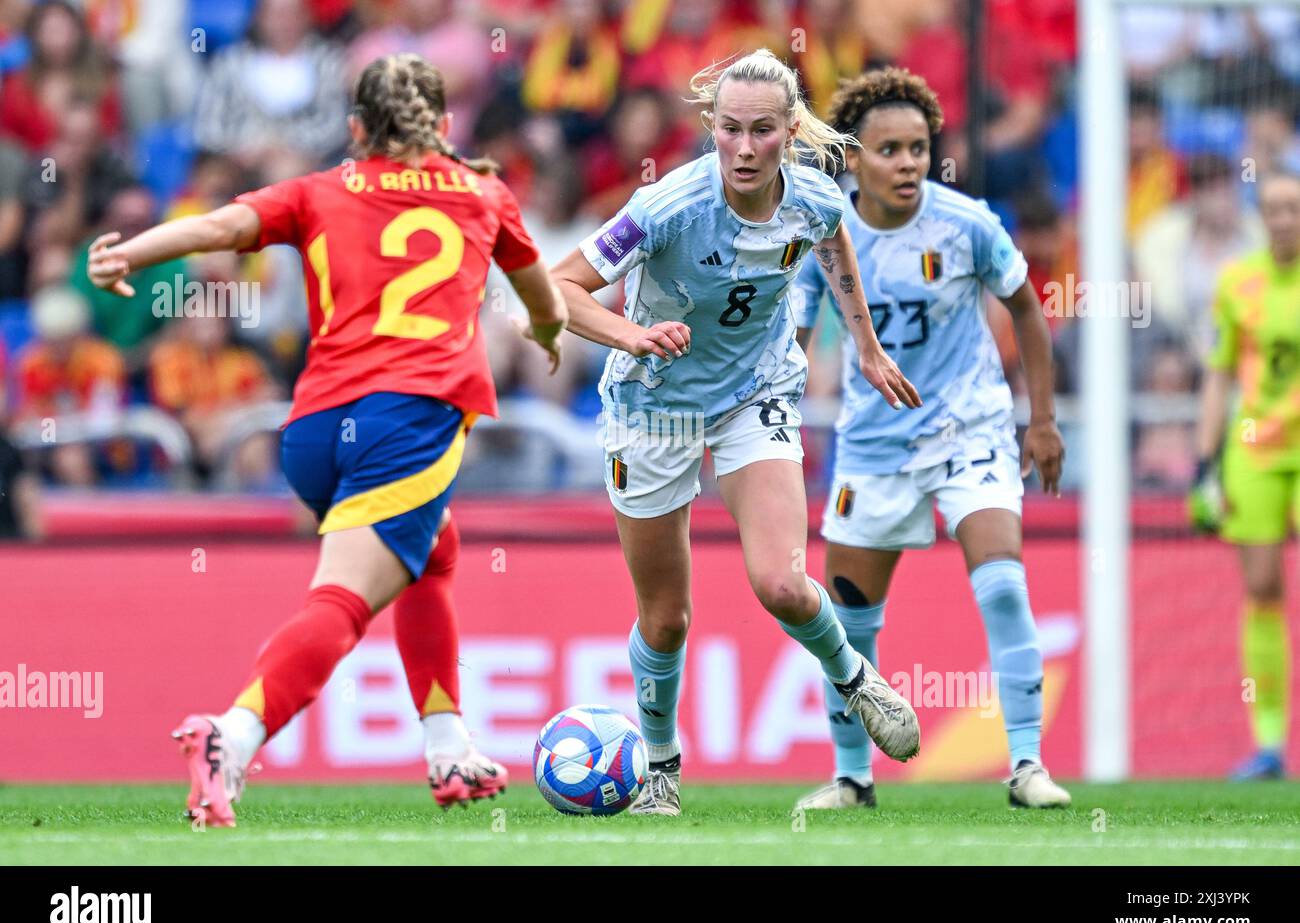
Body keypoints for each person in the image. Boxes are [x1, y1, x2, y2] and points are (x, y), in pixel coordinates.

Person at [86, 53, 568, 826]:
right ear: (445, 128)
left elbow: (218, 226)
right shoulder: (485, 193)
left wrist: (126, 254)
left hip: (312, 429)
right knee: (343, 602)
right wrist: (544, 336)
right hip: (407, 424)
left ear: (354, 130)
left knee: (433, 548)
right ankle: (231, 736)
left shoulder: (316, 190)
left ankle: (448, 745)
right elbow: (542, 296)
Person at [551, 49, 922, 817]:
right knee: (666, 615)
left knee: (782, 582)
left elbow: (834, 248)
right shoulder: (668, 207)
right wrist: (630, 335)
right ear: (710, 129)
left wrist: (867, 344)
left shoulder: (815, 199)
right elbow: (559, 288)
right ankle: (660, 771)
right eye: (729, 130)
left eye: (761, 131)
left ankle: (857, 681)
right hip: (654, 408)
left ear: (790, 131)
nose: (745, 148)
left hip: (755, 393)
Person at [791, 67, 1070, 811]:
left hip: (969, 428)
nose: (909, 162)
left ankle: (1027, 766)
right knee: (847, 620)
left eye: (918, 147)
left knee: (1004, 583)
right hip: (873, 445)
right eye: (890, 150)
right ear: (856, 159)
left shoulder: (967, 222)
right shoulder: (826, 232)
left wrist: (1040, 421)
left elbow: (1029, 312)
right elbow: (790, 333)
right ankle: (852, 776)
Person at [1190, 168, 1300, 781]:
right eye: (1275, 208)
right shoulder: (1238, 283)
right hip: (1254, 450)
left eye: (1294, 208)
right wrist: (1206, 464)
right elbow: (1219, 375)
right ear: (1262, 215)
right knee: (1261, 590)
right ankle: (1269, 745)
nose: (1284, 219)